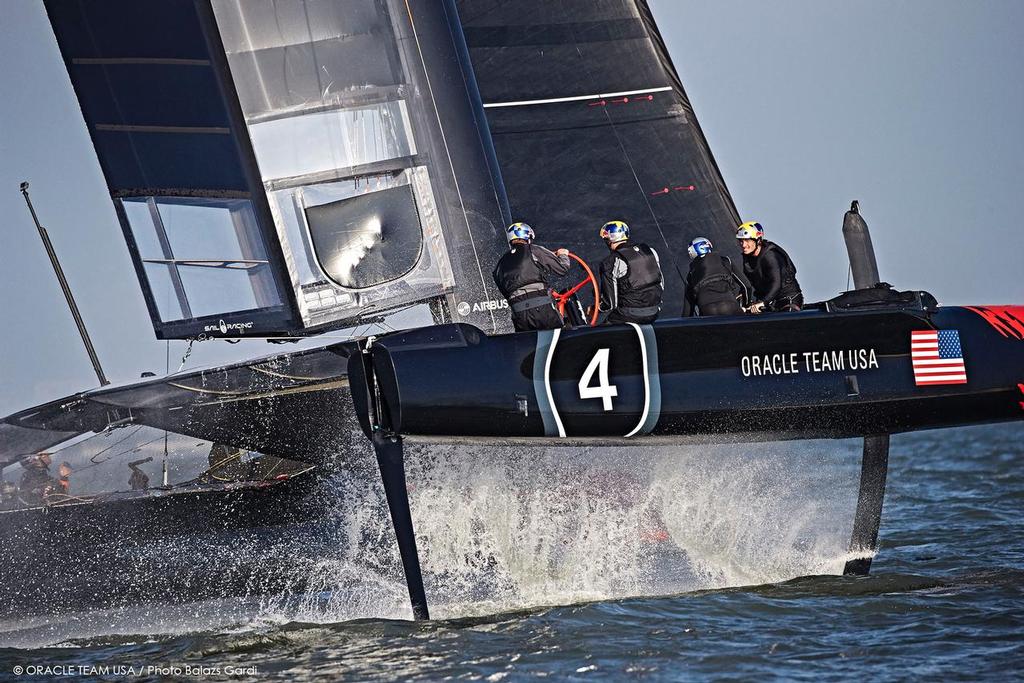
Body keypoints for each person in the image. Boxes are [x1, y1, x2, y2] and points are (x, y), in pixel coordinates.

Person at [492, 222, 571, 332]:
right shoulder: (534, 250)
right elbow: (562, 269)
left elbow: (505, 292)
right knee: (560, 338)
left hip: (519, 315)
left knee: (531, 346)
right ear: (528, 237)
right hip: (542, 310)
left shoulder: (500, 264)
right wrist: (563, 255)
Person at [597, 220, 663, 324]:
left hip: (631, 314)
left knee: (601, 332)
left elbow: (610, 304)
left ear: (610, 240)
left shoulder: (611, 262)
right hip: (655, 311)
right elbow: (660, 283)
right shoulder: (650, 251)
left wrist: (596, 308)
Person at [736, 221, 803, 312]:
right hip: (769, 301)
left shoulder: (770, 256)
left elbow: (776, 283)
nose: (743, 245)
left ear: (758, 241)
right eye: (741, 241)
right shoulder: (747, 257)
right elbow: (747, 284)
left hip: (788, 299)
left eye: (747, 240)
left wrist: (763, 302)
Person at [682, 237, 751, 316]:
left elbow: (687, 312)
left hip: (706, 310)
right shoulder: (725, 261)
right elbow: (747, 286)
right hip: (729, 305)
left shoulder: (691, 274)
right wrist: (746, 306)